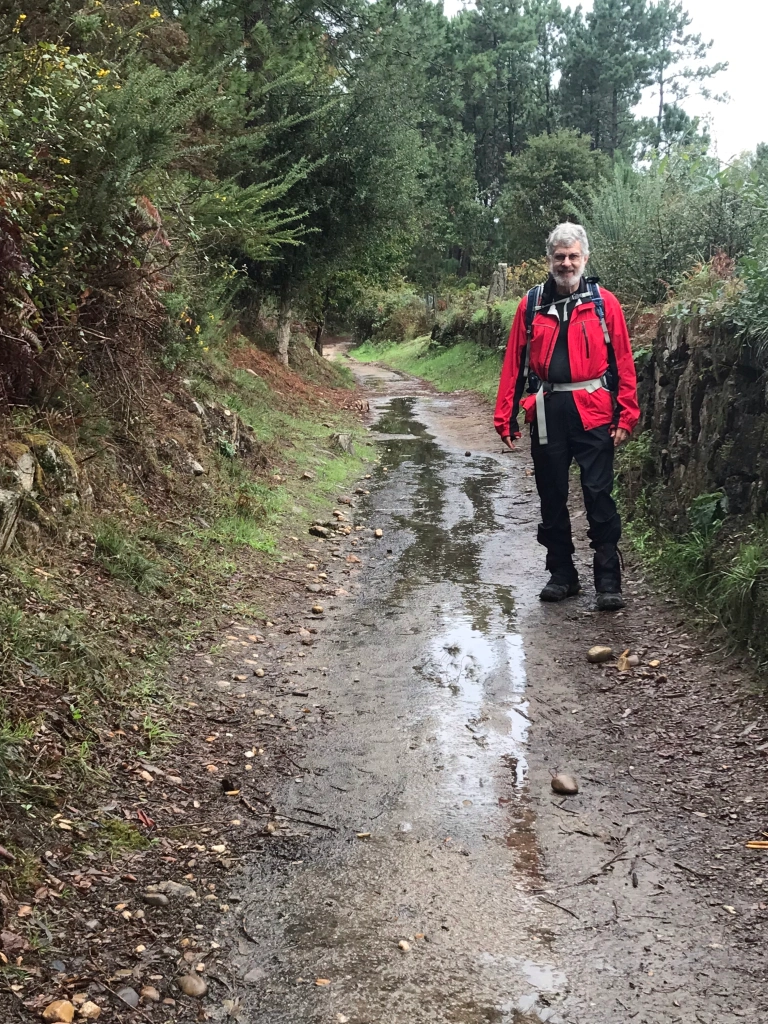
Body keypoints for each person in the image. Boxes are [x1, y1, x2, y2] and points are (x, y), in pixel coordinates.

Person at [494, 223, 640, 611]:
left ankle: (608, 578)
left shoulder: (604, 303)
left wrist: (626, 414)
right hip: (546, 411)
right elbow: (514, 364)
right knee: (552, 495)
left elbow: (623, 362)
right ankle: (562, 574)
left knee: (597, 493)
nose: (566, 263)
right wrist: (505, 414)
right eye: (559, 256)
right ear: (549, 260)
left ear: (585, 259)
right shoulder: (532, 304)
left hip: (594, 410)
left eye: (573, 256)